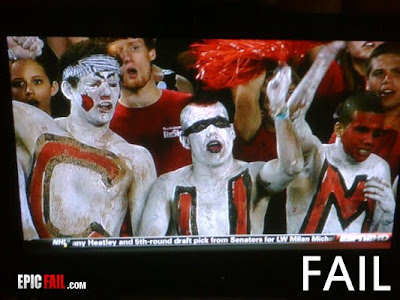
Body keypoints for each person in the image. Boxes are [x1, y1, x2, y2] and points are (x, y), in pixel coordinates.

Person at [13, 39, 156, 239]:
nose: (107, 92)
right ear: (68, 89)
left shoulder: (136, 159)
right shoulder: (35, 130)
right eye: (95, 83)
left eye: (113, 83)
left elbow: (148, 242)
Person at [139, 66, 304, 236]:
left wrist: (279, 110)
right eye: (200, 126)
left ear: (231, 132)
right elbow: (148, 244)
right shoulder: (167, 185)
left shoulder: (253, 175)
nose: (212, 131)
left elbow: (292, 166)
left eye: (219, 123)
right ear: (185, 140)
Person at [284, 41, 395, 234]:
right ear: (339, 128)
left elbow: (377, 238)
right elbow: (293, 115)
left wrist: (388, 215)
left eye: (376, 134)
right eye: (361, 130)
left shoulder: (379, 167)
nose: (369, 141)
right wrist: (323, 59)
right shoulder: (314, 155)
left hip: (356, 260)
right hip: (301, 258)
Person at [105, 37, 193, 176]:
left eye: (134, 48)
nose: (127, 58)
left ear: (151, 52)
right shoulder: (106, 125)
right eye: (118, 53)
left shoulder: (189, 107)